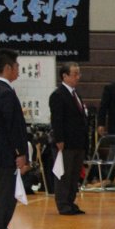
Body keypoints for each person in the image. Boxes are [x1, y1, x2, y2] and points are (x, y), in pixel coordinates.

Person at [0, 50, 30, 229]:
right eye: (17, 66)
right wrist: (20, 153)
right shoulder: (5, 93)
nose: (18, 70)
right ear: (7, 68)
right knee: (4, 195)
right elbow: (12, 126)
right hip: (5, 153)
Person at [49, 62, 88, 216]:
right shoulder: (58, 95)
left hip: (77, 142)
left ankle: (70, 202)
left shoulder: (75, 94)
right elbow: (57, 120)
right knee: (64, 175)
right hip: (65, 143)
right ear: (64, 76)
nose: (78, 77)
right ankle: (63, 204)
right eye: (74, 74)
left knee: (74, 175)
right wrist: (59, 140)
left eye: (79, 74)